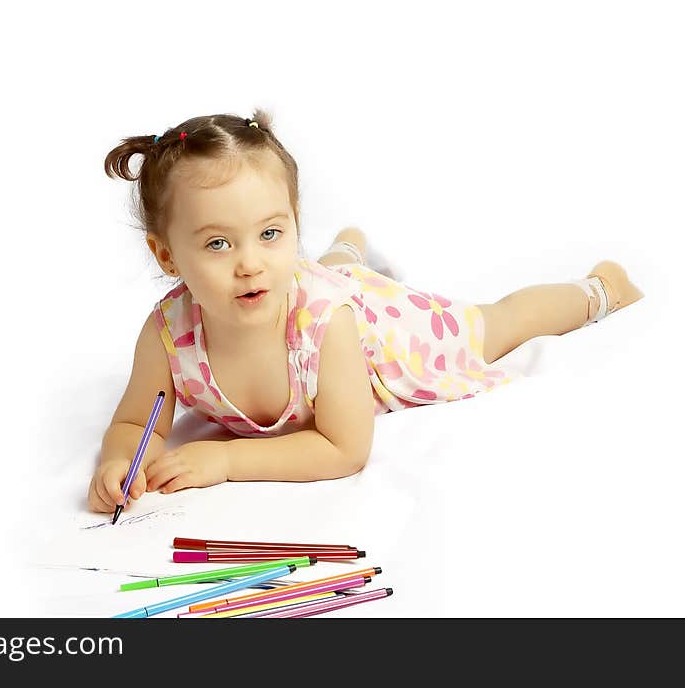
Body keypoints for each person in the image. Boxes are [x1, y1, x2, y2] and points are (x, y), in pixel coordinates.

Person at [87, 109, 643, 514]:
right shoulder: (167, 333)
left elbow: (344, 448)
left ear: (293, 223)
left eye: (271, 233)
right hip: (324, 286)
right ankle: (347, 252)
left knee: (493, 325)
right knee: (332, 273)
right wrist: (117, 465)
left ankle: (598, 289)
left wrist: (225, 463)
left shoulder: (328, 323)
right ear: (166, 255)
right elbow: (136, 422)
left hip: (384, 332)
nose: (250, 264)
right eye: (217, 244)